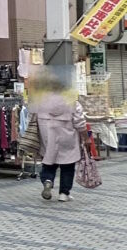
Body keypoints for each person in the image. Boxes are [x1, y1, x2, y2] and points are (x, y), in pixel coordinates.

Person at [29, 72, 86, 202]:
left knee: (49, 163)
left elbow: (32, 117)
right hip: (67, 136)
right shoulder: (71, 100)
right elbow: (79, 121)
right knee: (68, 166)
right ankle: (64, 194)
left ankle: (48, 181)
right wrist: (85, 136)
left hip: (48, 136)